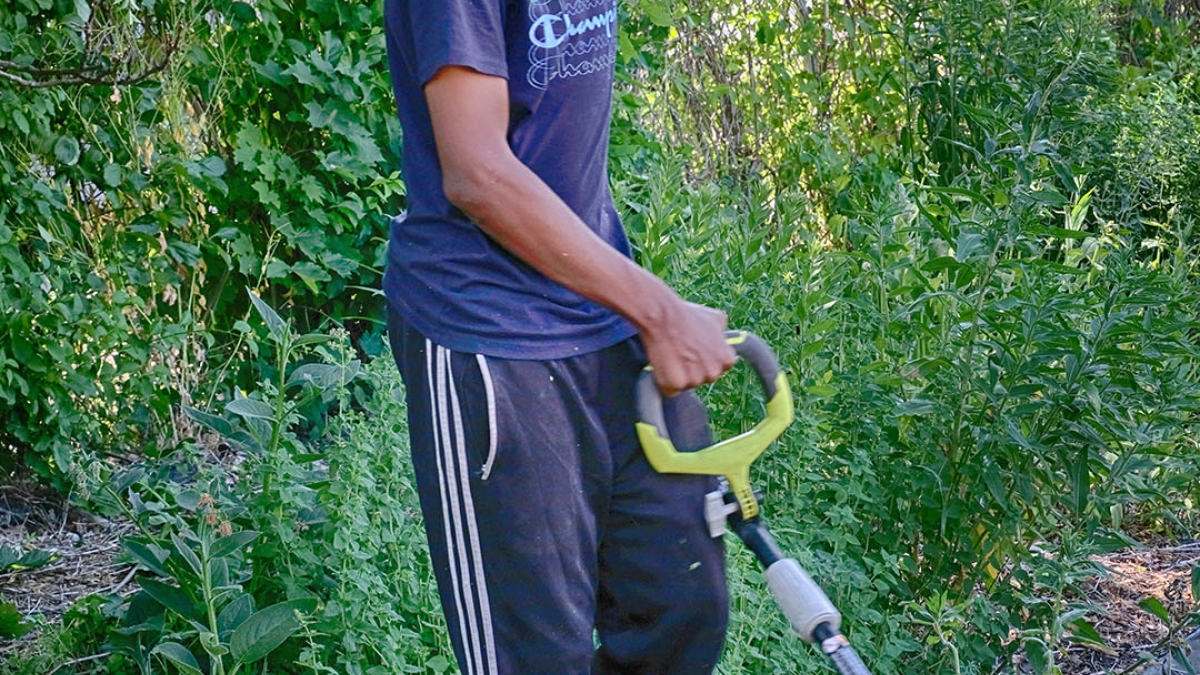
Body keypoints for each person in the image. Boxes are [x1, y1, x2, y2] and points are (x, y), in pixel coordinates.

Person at [382, 2, 737, 673]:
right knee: (537, 657)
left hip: (598, 312)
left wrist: (636, 305)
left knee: (682, 607)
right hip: (486, 331)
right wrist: (660, 312)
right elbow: (477, 172)